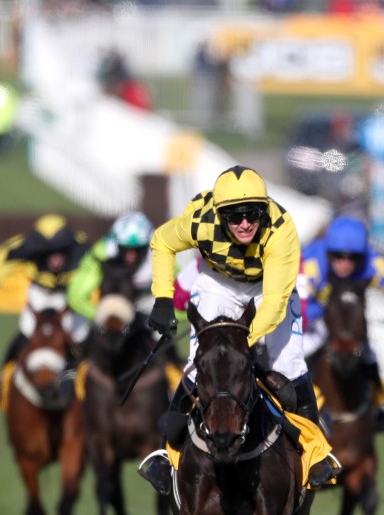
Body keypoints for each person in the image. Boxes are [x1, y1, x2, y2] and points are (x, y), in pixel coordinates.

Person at [136, 165, 338, 495]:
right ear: (219, 214)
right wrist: (162, 298)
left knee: (288, 364)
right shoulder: (200, 221)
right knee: (198, 363)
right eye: (234, 216)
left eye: (253, 213)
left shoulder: (281, 230)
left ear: (264, 209)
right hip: (218, 283)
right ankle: (166, 455)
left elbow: (273, 304)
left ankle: (316, 454)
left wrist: (243, 344)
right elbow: (161, 242)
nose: (245, 223)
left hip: (267, 288)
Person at [298, 215, 384, 433]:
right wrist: (319, 313)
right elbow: (299, 303)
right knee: (300, 352)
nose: (345, 262)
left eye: (352, 257)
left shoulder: (373, 262)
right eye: (338, 256)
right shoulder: (312, 262)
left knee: (368, 354)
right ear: (328, 252)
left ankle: (379, 405)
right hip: (313, 322)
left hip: (348, 325)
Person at [0, 214, 90, 408]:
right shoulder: (22, 246)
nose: (54, 258)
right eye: (48, 252)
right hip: (40, 294)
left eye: (60, 251)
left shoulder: (83, 247)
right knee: (27, 333)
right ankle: (1, 380)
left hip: (70, 293)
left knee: (81, 335)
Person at [67, 211, 156, 321]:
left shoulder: (162, 254)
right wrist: (105, 319)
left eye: (138, 249)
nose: (130, 256)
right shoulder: (100, 255)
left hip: (145, 303)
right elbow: (77, 296)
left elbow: (176, 296)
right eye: (125, 249)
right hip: (106, 307)